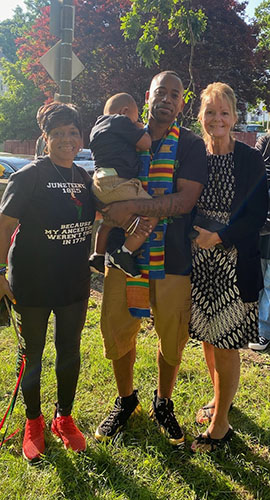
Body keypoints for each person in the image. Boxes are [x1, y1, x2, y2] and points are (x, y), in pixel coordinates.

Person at [94, 71, 207, 446]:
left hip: (171, 258)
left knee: (171, 333)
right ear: (148, 96)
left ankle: (163, 401)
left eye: (176, 94)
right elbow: (100, 181)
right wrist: (110, 209)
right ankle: (126, 401)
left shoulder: (190, 145)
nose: (168, 99)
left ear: (182, 103)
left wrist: (131, 206)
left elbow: (184, 200)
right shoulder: (124, 134)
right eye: (162, 92)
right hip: (123, 257)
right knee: (119, 327)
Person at [0, 102, 96, 461]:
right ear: (46, 138)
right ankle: (33, 421)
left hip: (73, 284)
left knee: (69, 353)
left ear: (80, 137)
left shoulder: (84, 179)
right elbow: (4, 226)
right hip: (31, 285)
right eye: (58, 133)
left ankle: (64, 418)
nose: (66, 140)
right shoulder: (28, 177)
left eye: (73, 132)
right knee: (33, 356)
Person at [189, 82, 268, 452]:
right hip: (199, 262)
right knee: (207, 335)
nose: (216, 119)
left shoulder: (250, 159)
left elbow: (256, 216)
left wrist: (218, 238)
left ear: (235, 117)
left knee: (226, 343)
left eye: (224, 112)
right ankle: (219, 398)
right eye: (210, 112)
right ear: (200, 116)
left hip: (234, 263)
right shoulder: (194, 155)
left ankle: (220, 425)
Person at [89, 92, 158, 277]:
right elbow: (145, 143)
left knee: (109, 221)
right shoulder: (120, 121)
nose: (134, 123)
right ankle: (124, 254)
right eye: (134, 119)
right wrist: (138, 126)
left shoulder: (96, 127)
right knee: (153, 212)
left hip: (99, 182)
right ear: (125, 111)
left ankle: (98, 254)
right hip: (117, 181)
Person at [248, 131, 270, 351]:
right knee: (260, 278)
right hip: (259, 223)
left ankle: (265, 331)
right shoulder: (264, 145)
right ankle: (255, 326)